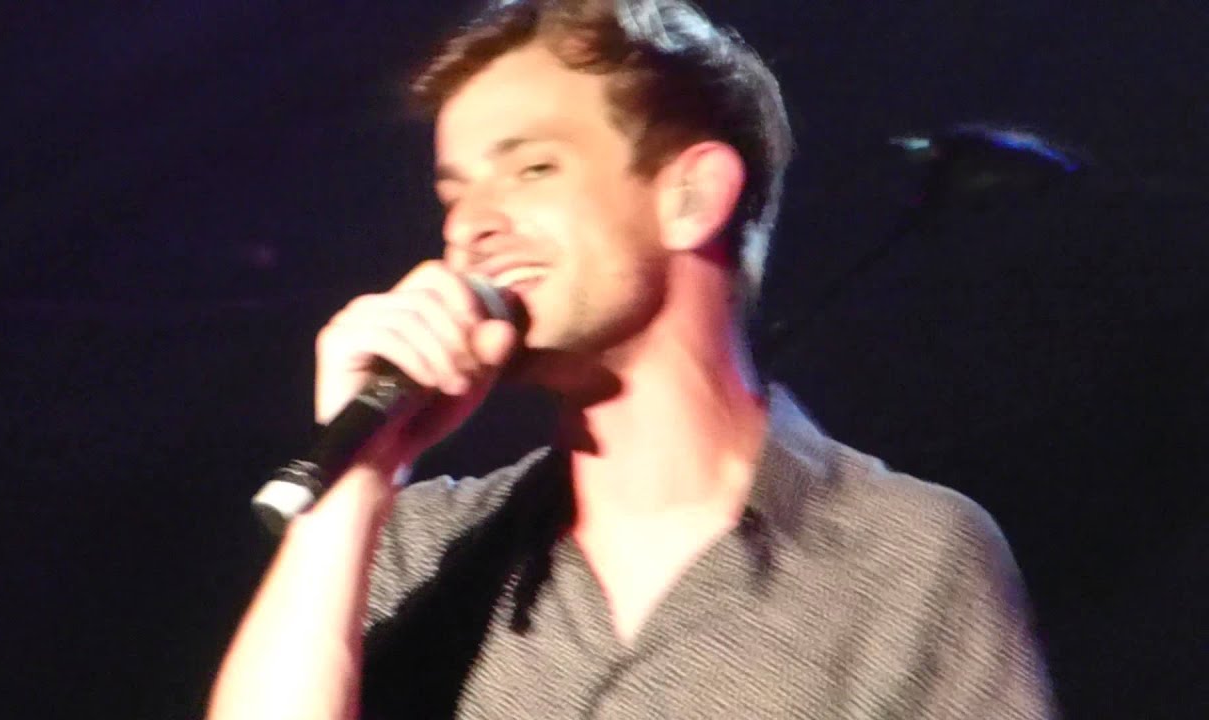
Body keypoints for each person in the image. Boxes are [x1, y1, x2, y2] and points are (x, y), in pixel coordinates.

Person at [207, 1, 1056, 717]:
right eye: (454, 195)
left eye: (533, 168)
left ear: (691, 196)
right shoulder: (419, 548)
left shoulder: (908, 555)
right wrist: (355, 488)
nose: (470, 227)